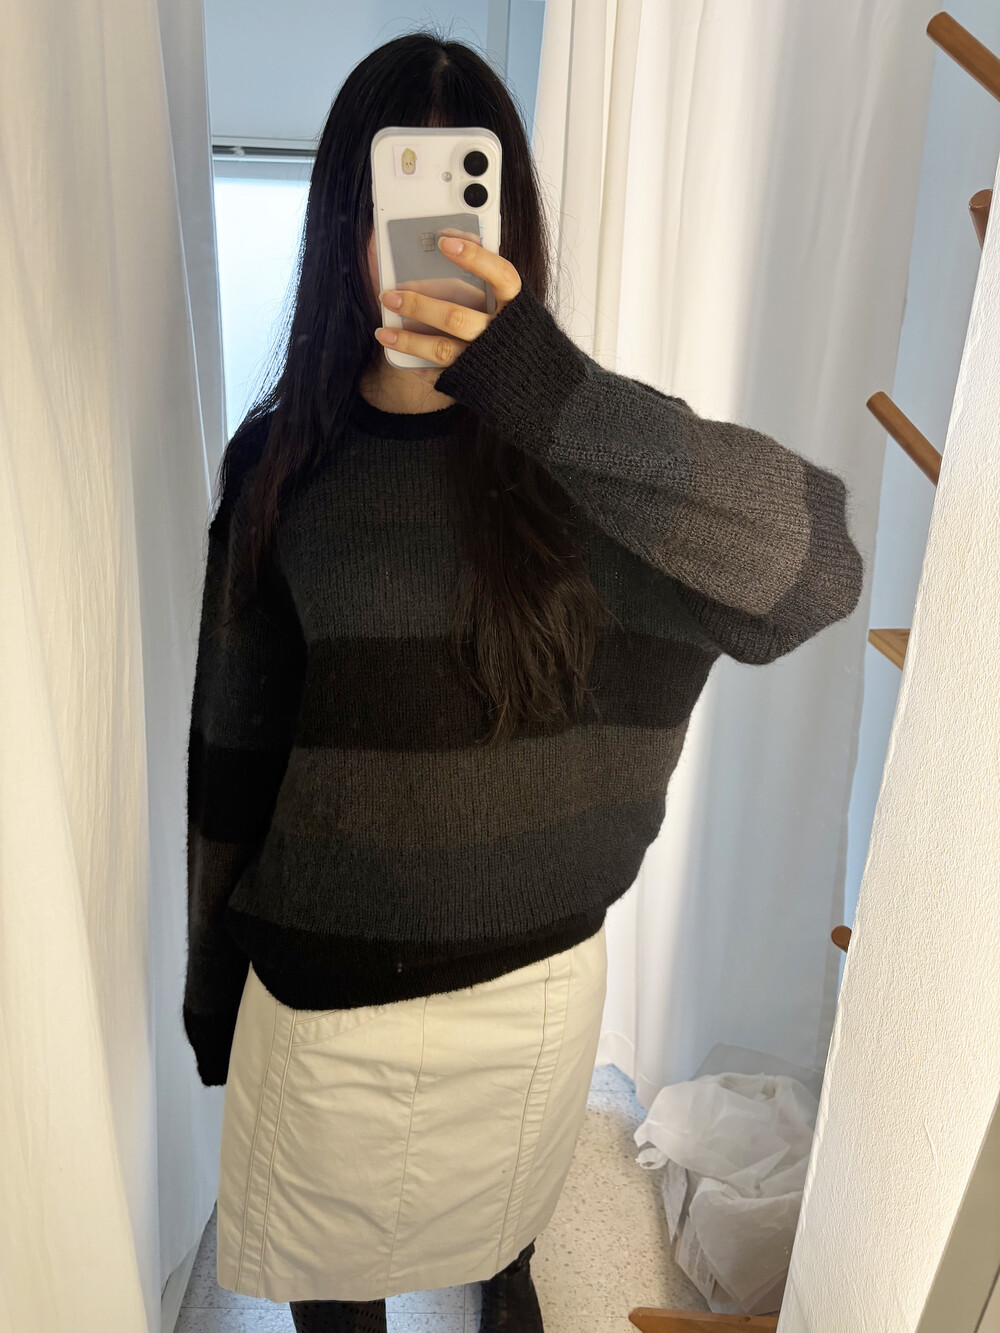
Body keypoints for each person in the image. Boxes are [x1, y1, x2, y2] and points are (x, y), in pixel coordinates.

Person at [182, 29, 866, 1333]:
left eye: (466, 191)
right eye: (396, 193)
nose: (431, 233)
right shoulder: (280, 465)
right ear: (343, 225)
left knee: (508, 1263)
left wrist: (538, 387)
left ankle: (509, 1284)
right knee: (335, 1299)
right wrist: (213, 993)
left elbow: (815, 567)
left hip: (531, 1001)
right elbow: (233, 748)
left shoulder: (588, 454)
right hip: (325, 1010)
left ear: (510, 222)